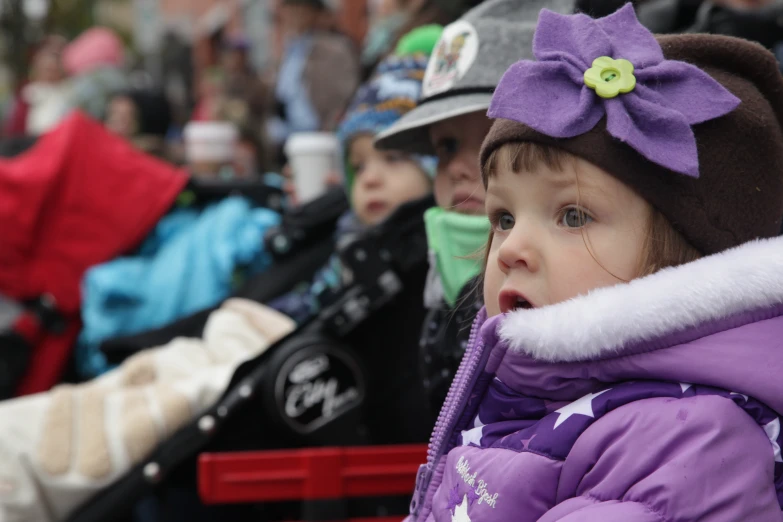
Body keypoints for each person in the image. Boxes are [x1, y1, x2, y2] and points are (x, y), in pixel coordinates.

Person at [408, 5, 783, 521]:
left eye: (573, 215)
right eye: (504, 217)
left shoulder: (689, 439)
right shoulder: (532, 397)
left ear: (687, 263)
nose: (512, 248)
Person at [374, 0, 575, 413]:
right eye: (445, 146)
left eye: (490, 141)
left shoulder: (562, 285)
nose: (459, 168)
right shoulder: (425, 279)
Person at [267, 39, 439, 324]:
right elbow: (310, 302)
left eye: (393, 158)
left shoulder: (430, 257)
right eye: (358, 167)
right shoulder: (350, 236)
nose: (369, 179)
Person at [267, 0, 361, 161]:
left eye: (299, 9)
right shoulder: (290, 49)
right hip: (288, 140)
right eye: (288, 10)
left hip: (319, 140)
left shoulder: (334, 48)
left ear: (313, 13)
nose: (292, 16)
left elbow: (344, 97)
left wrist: (329, 128)